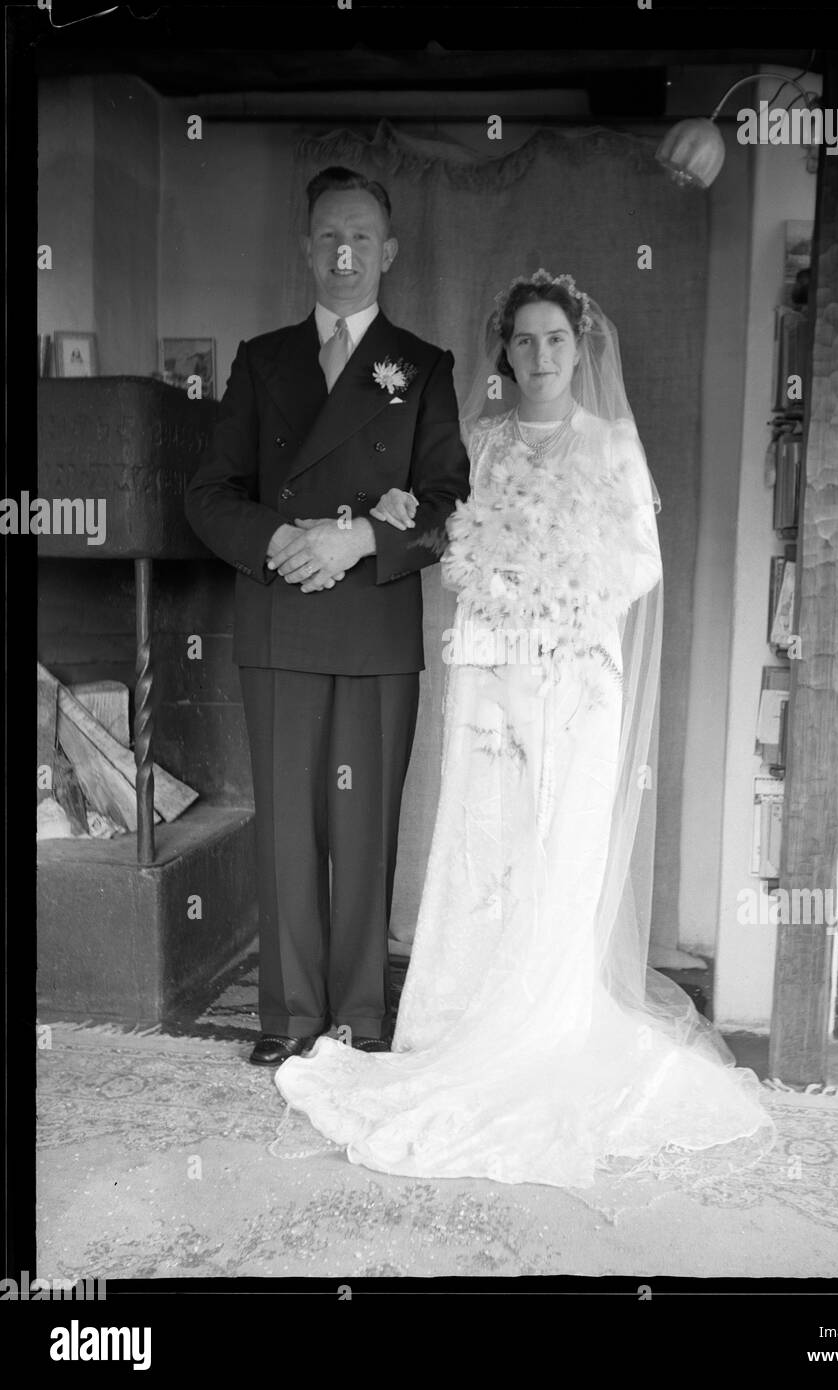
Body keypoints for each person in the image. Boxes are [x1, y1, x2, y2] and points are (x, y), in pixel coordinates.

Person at [273, 269, 776, 1189]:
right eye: (524, 341)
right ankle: (458, 1020)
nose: (541, 357)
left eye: (556, 340)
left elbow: (636, 566)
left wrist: (553, 597)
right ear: (504, 351)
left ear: (580, 349)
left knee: (560, 848)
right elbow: (449, 541)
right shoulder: (484, 444)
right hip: (492, 674)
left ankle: (547, 1023)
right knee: (485, 844)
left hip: (575, 677)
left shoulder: (612, 448)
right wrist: (490, 583)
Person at [184, 167, 471, 1065]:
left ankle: (361, 1016)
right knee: (289, 827)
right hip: (279, 620)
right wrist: (283, 542)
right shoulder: (262, 359)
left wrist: (355, 544)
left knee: (365, 826)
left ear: (388, 251)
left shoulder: (422, 367)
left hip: (376, 628)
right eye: (327, 237)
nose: (343, 253)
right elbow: (208, 494)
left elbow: (446, 505)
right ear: (306, 248)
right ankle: (289, 1014)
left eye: (361, 237)